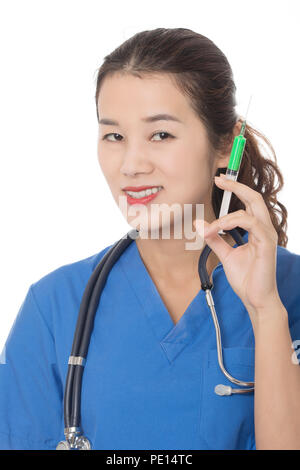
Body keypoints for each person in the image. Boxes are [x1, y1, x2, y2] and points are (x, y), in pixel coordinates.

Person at [1, 27, 300, 451]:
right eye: (114, 136)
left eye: (160, 135)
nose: (131, 164)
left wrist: (267, 312)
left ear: (224, 147)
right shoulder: (53, 307)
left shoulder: (292, 290)